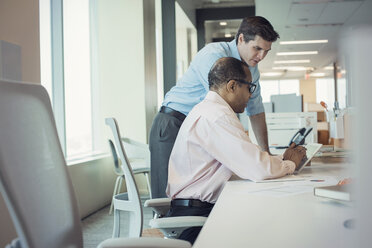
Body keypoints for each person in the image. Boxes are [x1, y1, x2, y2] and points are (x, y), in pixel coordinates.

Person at [165, 57, 307, 244]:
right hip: (198, 220)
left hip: (198, 210)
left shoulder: (210, 110)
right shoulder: (216, 116)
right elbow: (257, 168)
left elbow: (246, 156)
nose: (251, 95)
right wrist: (290, 163)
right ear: (232, 86)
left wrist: (284, 157)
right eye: (250, 87)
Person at [149, 16, 280, 199]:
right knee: (166, 199)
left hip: (197, 128)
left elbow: (255, 110)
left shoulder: (251, 68)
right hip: (173, 122)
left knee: (199, 190)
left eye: (266, 51)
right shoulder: (214, 56)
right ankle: (171, 228)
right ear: (241, 39)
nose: (261, 56)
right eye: (257, 48)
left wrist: (266, 153)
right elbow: (220, 106)